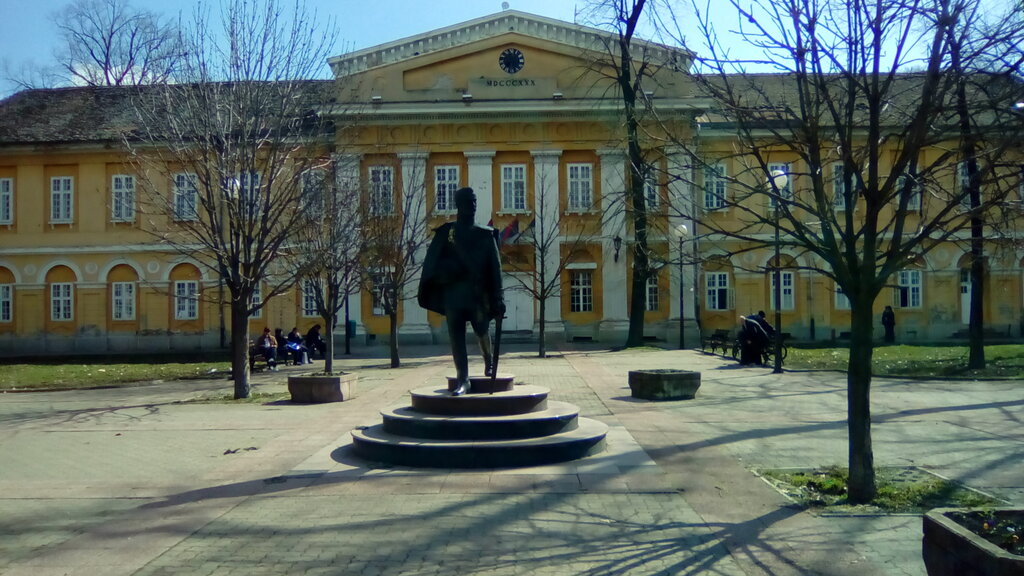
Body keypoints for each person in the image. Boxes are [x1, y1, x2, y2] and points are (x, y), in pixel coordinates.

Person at [418, 187, 505, 396]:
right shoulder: (447, 233)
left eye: (474, 201)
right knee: (456, 338)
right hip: (454, 295)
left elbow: (496, 268)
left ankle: (488, 360)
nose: (472, 205)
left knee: (482, 329)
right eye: (468, 201)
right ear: (459, 205)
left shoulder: (485, 235)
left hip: (477, 295)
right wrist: (447, 272)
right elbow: (432, 266)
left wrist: (498, 298)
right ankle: (462, 379)